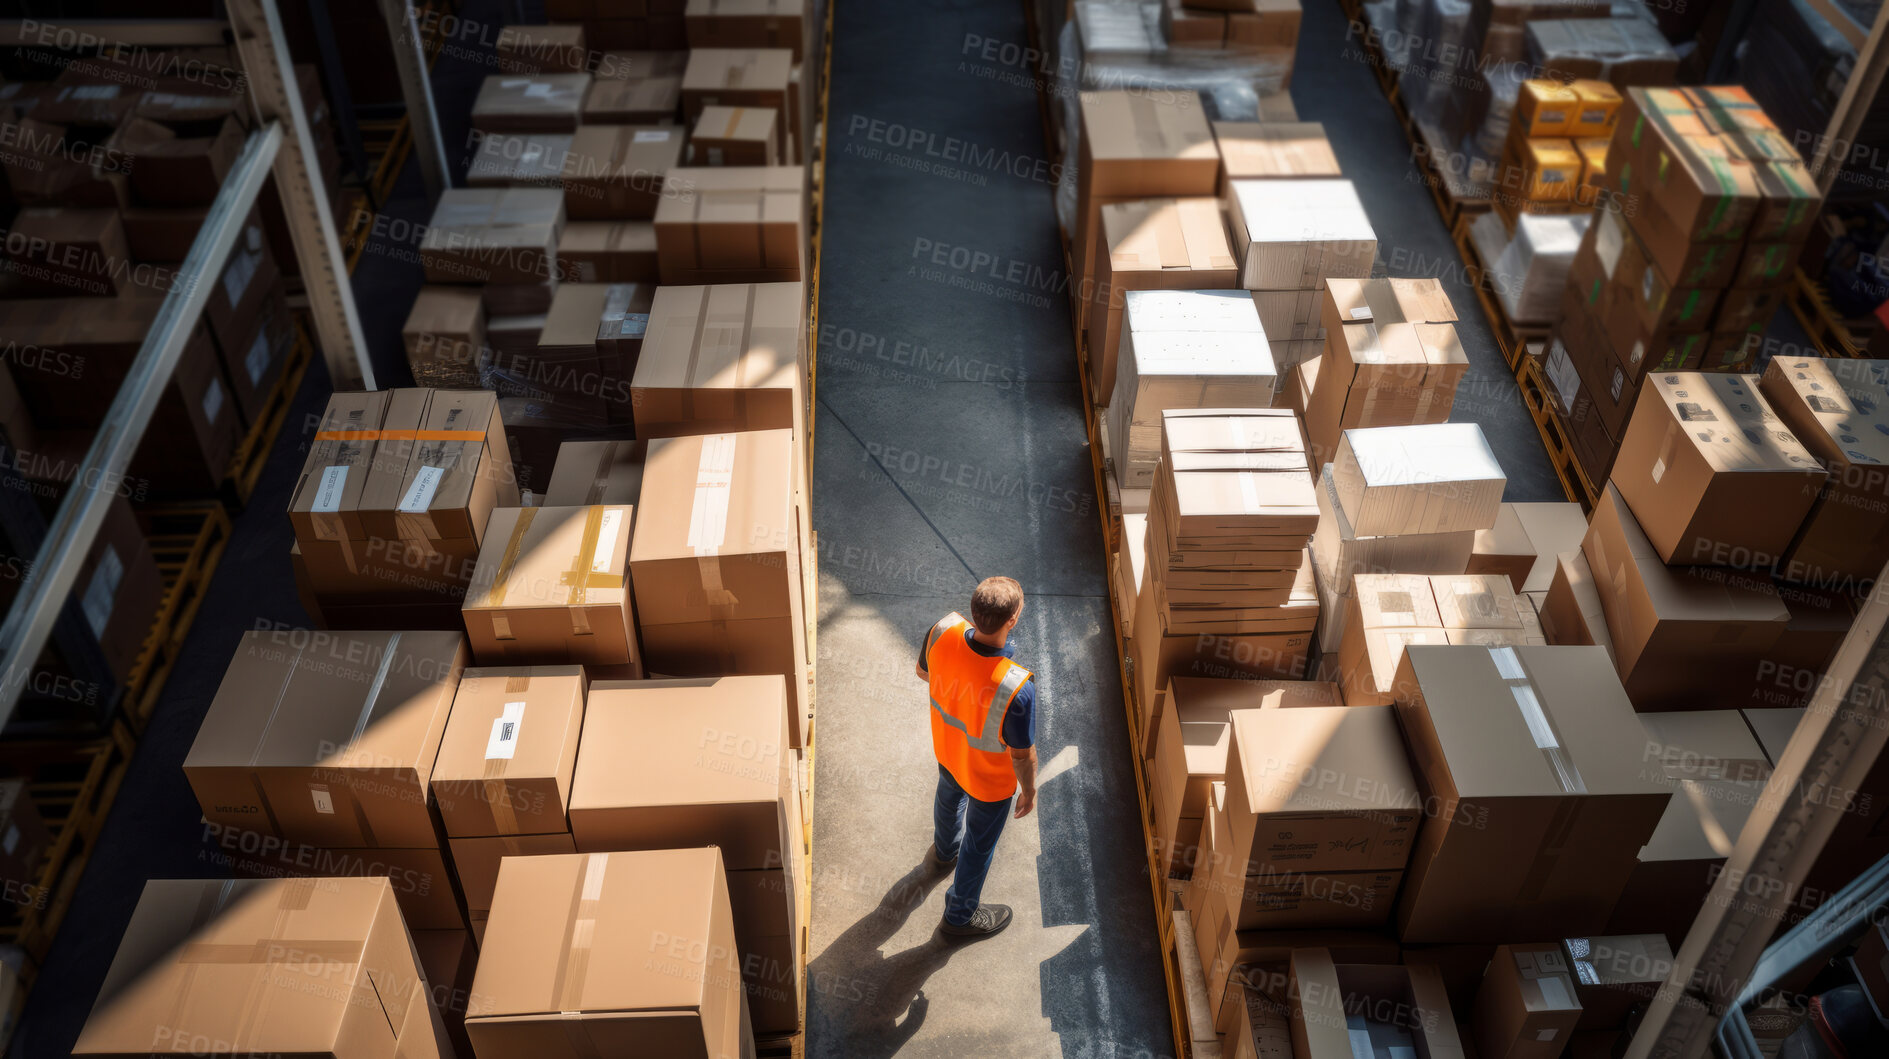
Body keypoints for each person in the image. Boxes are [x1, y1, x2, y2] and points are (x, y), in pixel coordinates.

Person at [915, 575, 1038, 939]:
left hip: (948, 751)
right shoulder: (1015, 687)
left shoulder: (943, 629)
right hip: (988, 783)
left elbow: (924, 672)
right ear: (1012, 620)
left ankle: (942, 853)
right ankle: (959, 916)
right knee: (979, 845)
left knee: (948, 799)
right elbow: (1021, 754)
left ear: (972, 611)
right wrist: (1029, 791)